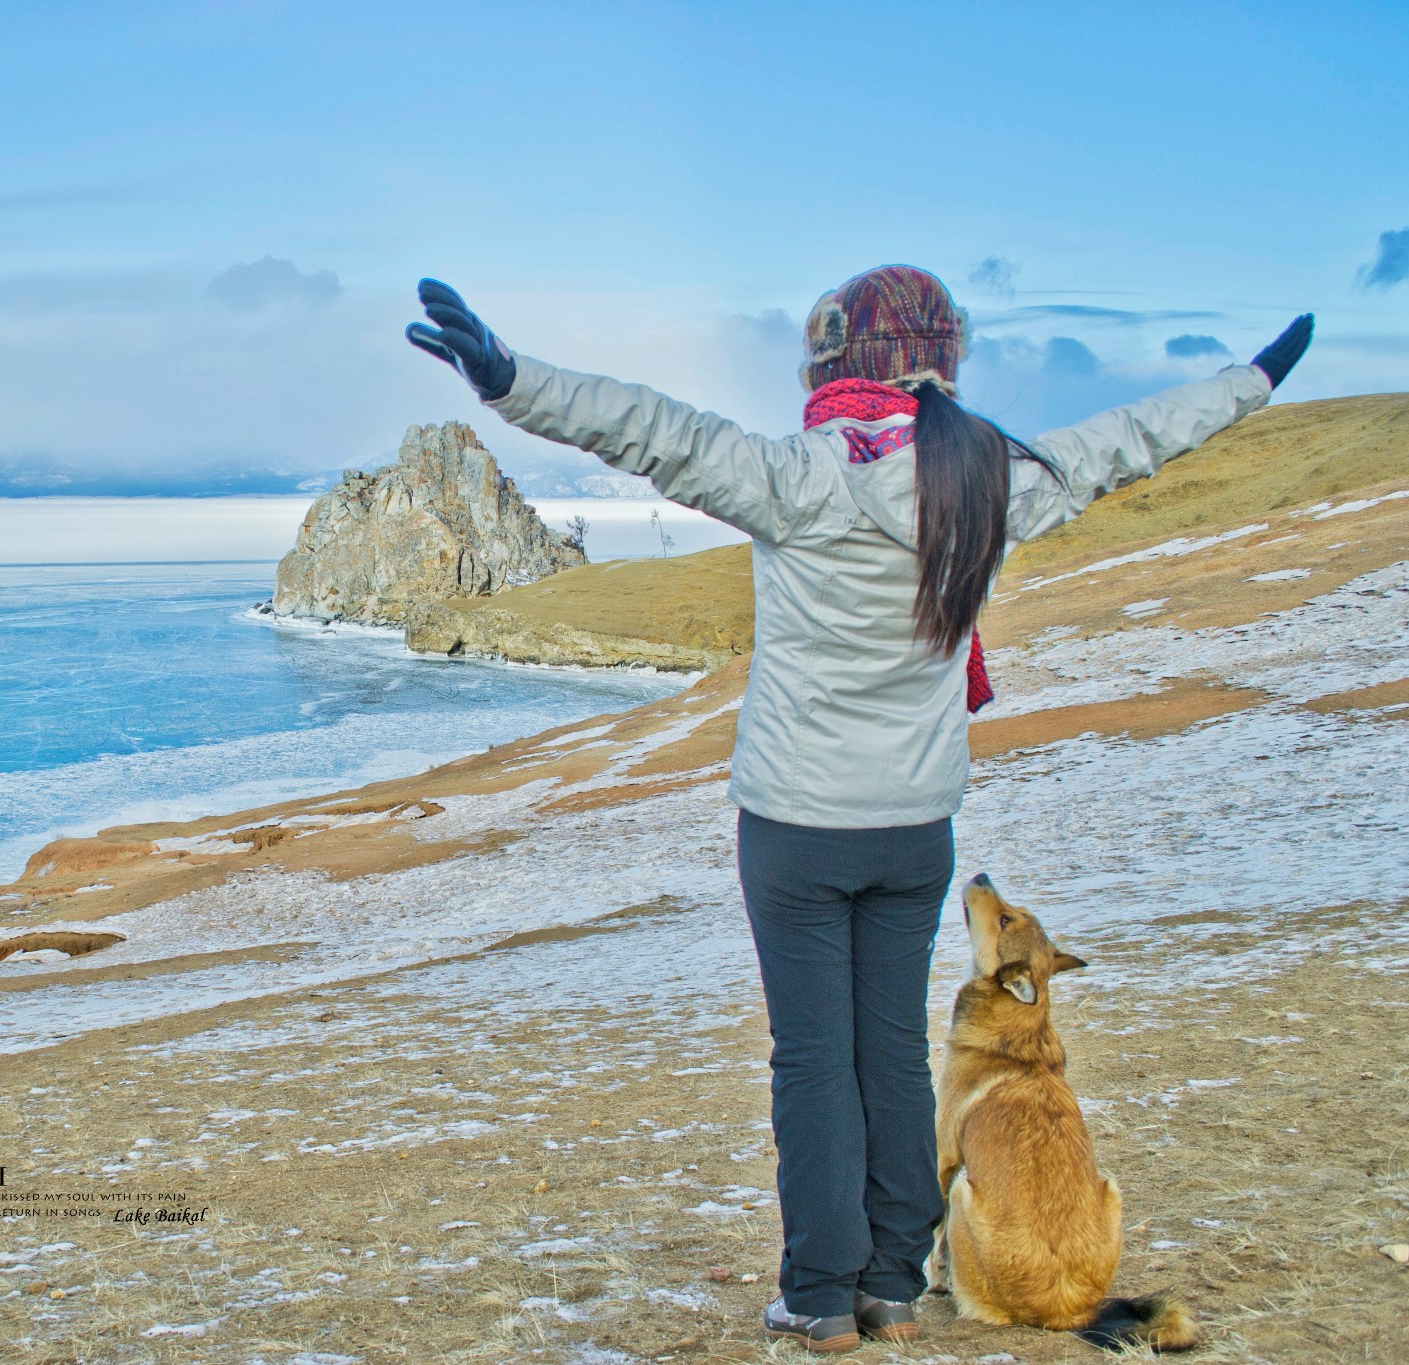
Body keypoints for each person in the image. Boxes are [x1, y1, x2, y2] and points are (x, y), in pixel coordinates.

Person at [406, 266, 1312, 1353]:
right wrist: (1246, 382)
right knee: (887, 1050)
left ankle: (820, 1298)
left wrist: (509, 379)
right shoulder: (989, 481)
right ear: (941, 353)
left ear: (837, 356)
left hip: (793, 823)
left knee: (810, 1058)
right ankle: (891, 1280)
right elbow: (1127, 439)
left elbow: (650, 432)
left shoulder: (801, 477)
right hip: (912, 825)